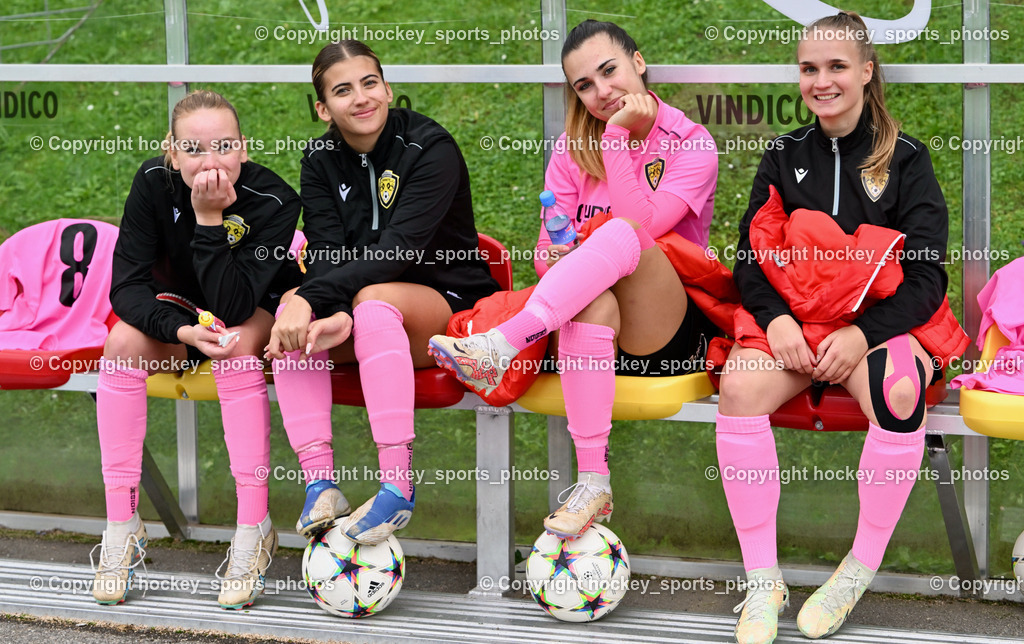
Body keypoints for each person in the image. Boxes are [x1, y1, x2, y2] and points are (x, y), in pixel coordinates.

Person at [717, 12, 966, 643]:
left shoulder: (906, 158)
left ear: (866, 71)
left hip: (875, 331)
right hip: (794, 327)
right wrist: (776, 321)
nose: (821, 81)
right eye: (809, 68)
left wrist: (862, 335)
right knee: (738, 388)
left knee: (899, 391)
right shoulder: (784, 154)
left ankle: (856, 572)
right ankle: (763, 582)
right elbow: (751, 258)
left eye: (836, 67)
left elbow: (926, 279)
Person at [428, 19, 718, 539]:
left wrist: (616, 139)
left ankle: (502, 344)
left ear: (638, 62)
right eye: (584, 85)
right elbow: (544, 255)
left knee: (622, 231)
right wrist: (560, 255)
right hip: (590, 326)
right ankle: (593, 482)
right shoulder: (570, 149)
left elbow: (640, 225)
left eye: (609, 71)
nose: (601, 92)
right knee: (592, 299)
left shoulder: (691, 142)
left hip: (665, 334)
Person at [265, 40, 500, 546]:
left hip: (447, 305)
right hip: (363, 303)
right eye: (343, 90)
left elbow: (399, 251)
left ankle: (397, 487)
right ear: (323, 109)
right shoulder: (320, 159)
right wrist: (319, 307)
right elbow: (326, 251)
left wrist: (319, 298)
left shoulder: (429, 147)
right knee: (292, 319)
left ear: (388, 90)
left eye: (369, 83)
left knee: (370, 303)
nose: (361, 98)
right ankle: (320, 484)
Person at [93, 90, 301, 609]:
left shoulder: (275, 200)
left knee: (233, 346)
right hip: (181, 316)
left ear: (244, 148)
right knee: (121, 343)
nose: (211, 162)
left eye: (224, 146)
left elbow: (233, 304)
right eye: (193, 148)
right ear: (171, 151)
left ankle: (253, 529)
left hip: (251, 308)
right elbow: (127, 288)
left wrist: (209, 218)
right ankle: (122, 525)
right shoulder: (152, 182)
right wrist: (181, 331)